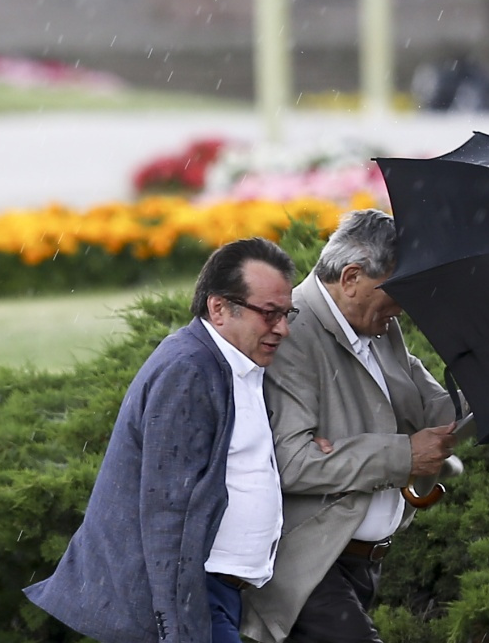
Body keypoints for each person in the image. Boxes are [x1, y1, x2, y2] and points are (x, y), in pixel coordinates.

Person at [24, 237, 300, 643]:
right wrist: (178, 629)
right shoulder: (189, 370)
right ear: (219, 308)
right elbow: (167, 513)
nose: (283, 328)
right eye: (270, 314)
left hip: (216, 595)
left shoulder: (234, 362)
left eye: (287, 312)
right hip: (191, 600)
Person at [242, 209, 464, 643]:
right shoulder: (294, 333)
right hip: (307, 567)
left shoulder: (381, 323)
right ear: (350, 278)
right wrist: (404, 455)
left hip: (362, 565)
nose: (404, 305)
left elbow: (434, 408)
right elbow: (292, 463)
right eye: (396, 292)